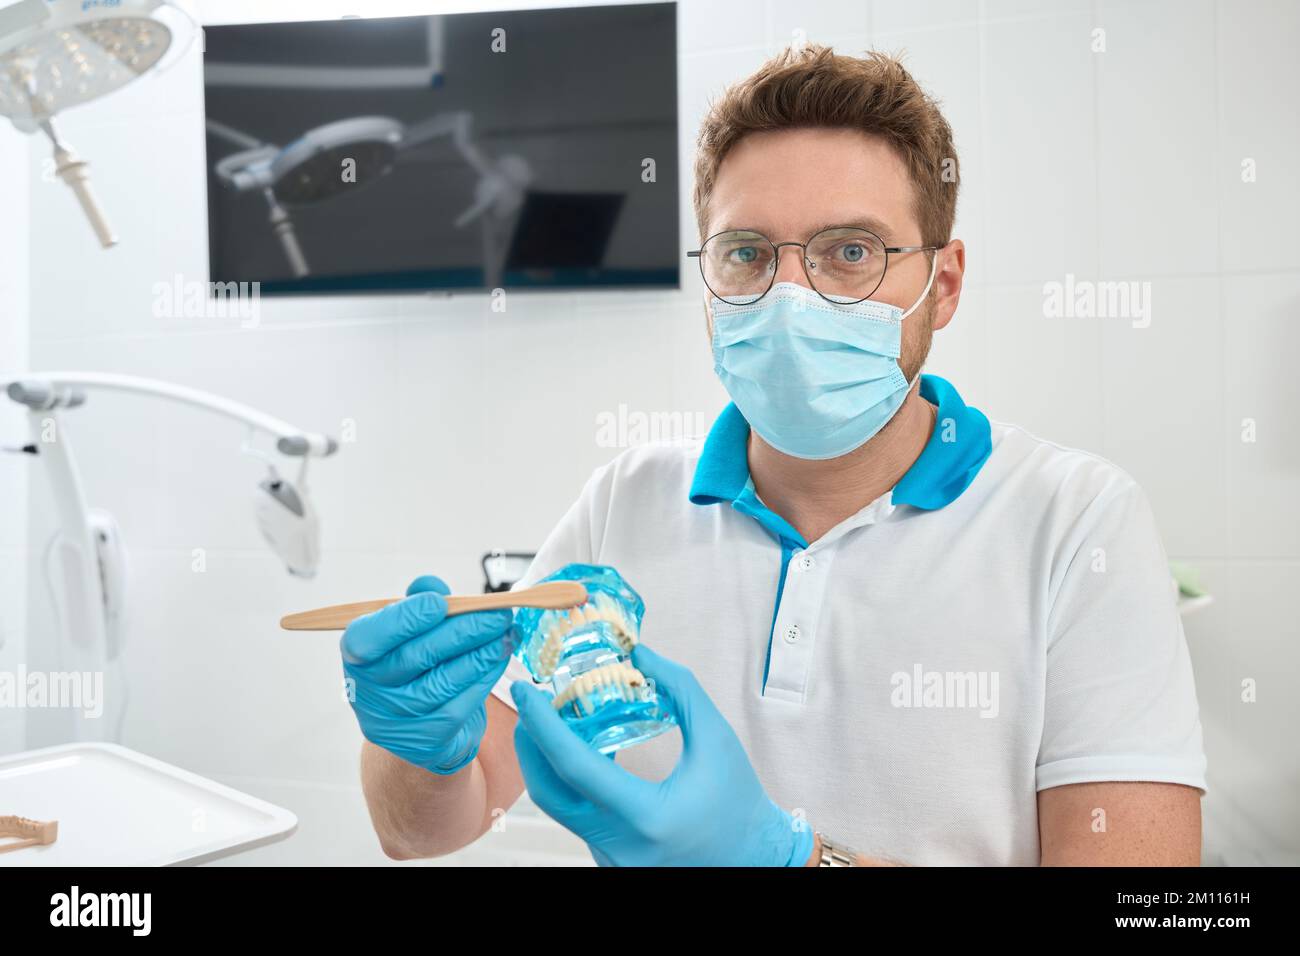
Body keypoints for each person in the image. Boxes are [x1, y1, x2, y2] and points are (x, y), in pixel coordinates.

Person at [341, 45, 1205, 866]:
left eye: (851, 253)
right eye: (748, 254)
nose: (791, 297)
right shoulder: (629, 498)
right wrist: (414, 746)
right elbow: (426, 831)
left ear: (941, 287)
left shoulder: (1076, 522)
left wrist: (790, 859)